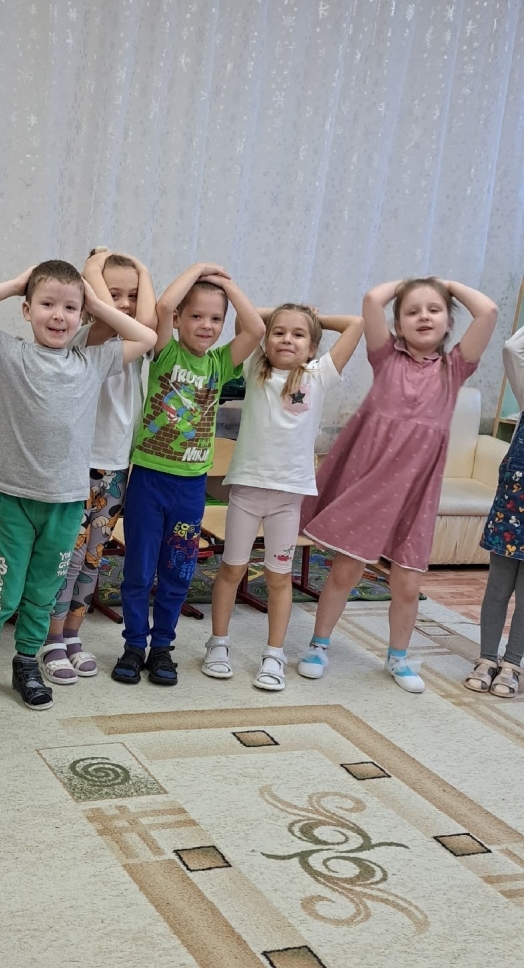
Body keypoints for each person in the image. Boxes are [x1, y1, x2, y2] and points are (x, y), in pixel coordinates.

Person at [0, 260, 156, 709]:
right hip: (14, 498)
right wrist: (15, 284)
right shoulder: (10, 351)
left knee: (44, 592)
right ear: (27, 310)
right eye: (47, 304)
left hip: (66, 502)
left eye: (70, 307)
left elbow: (146, 338)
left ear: (82, 315)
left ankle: (26, 661)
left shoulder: (93, 360)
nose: (58, 315)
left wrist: (97, 303)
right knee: (5, 590)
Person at [297, 277, 498, 692]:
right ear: (398, 324)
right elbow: (372, 299)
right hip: (372, 487)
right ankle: (318, 646)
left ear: (448, 323)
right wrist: (410, 284)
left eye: (434, 310)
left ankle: (399, 657)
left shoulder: (455, 368)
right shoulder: (386, 357)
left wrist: (447, 285)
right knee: (345, 571)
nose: (424, 316)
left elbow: (489, 312)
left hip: (416, 494)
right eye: (412, 311)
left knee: (407, 583)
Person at [113, 262, 264, 686]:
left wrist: (227, 285)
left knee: (178, 569)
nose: (207, 325)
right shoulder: (165, 352)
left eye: (215, 319)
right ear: (179, 320)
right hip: (149, 480)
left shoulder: (221, 363)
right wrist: (198, 269)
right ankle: (133, 645)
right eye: (196, 316)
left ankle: (162, 646)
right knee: (139, 569)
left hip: (190, 487)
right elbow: (163, 305)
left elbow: (255, 329)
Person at [202, 303, 364, 690]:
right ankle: (218, 644)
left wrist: (311, 316)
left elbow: (356, 324)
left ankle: (274, 654)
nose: (287, 339)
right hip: (246, 494)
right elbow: (246, 318)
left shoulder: (318, 375)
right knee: (231, 570)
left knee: (279, 578)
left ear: (312, 347)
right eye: (278, 332)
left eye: (298, 334)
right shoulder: (254, 368)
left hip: (287, 501)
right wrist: (285, 313)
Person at [39, 248, 157, 685]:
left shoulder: (136, 344)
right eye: (114, 293)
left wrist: (143, 269)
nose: (123, 303)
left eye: (132, 294)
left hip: (115, 469)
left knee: (93, 559)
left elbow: (148, 324)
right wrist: (95, 263)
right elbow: (109, 313)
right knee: (67, 559)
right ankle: (50, 638)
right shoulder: (87, 337)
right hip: (77, 467)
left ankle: (72, 635)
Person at [465, 322, 524, 698]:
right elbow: (512, 348)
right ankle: (487, 658)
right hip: (513, 508)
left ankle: (513, 663)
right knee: (499, 587)